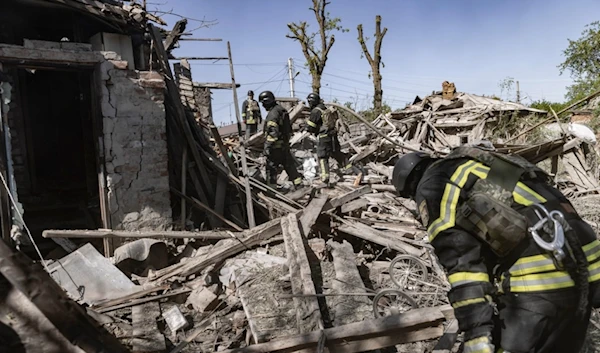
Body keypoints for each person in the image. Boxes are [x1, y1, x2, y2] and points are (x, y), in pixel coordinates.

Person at [391, 145, 600, 353]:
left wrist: (476, 331)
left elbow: (458, 256)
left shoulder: (431, 185)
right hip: (588, 262)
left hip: (543, 273)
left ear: (410, 185)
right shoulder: (474, 164)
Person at [305, 92, 353, 187]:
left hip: (324, 137)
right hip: (333, 136)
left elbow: (311, 127)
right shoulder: (325, 109)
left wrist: (307, 129)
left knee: (322, 157)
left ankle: (324, 179)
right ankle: (349, 169)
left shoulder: (316, 111)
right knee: (336, 153)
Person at [259, 90, 302, 189]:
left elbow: (273, 133)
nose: (263, 106)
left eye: (263, 103)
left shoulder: (272, 114)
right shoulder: (281, 110)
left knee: (271, 169)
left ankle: (272, 190)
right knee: (290, 167)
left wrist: (267, 147)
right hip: (284, 145)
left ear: (267, 102)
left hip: (275, 148)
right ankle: (299, 186)